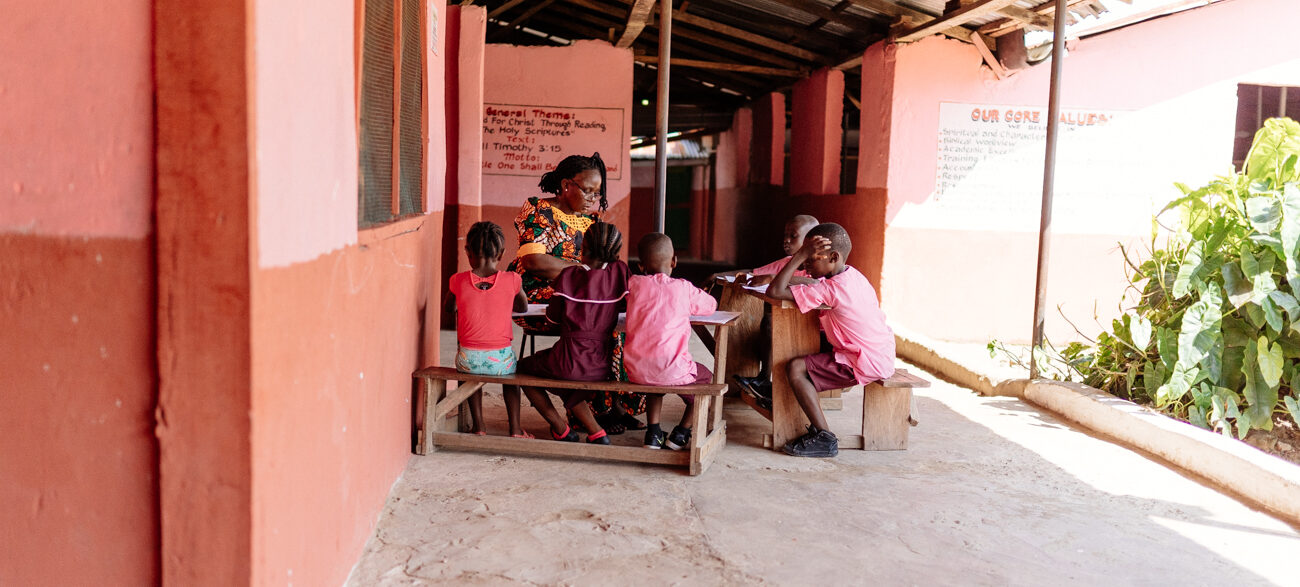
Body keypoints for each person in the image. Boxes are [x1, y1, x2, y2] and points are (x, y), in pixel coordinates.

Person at [507, 152, 646, 433]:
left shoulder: (592, 221)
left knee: (623, 324)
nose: (592, 198)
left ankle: (614, 405)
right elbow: (535, 262)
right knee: (597, 317)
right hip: (539, 299)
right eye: (587, 190)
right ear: (566, 184)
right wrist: (584, 272)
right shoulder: (538, 210)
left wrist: (588, 278)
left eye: (597, 193)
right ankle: (594, 412)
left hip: (581, 296)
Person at [765, 223, 896, 458]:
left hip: (863, 361)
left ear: (833, 257)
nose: (805, 264)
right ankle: (772, 394)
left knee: (795, 368)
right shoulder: (853, 275)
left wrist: (797, 256)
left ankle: (824, 436)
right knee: (812, 340)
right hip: (880, 351)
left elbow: (774, 292)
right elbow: (815, 284)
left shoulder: (831, 290)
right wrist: (803, 261)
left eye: (810, 258)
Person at [516, 222, 629, 445]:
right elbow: (624, 308)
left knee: (521, 370)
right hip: (602, 363)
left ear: (582, 246)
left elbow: (552, 320)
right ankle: (596, 432)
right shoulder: (620, 273)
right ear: (616, 252)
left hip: (568, 359)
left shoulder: (569, 277)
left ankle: (560, 428)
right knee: (567, 376)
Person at [625, 233, 718, 450]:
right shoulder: (683, 288)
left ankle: (653, 432)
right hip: (673, 370)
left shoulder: (634, 283)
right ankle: (681, 433)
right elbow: (710, 306)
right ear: (674, 261)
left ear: (640, 266)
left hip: (636, 370)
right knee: (710, 381)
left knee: (654, 378)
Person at [444, 221, 530, 437]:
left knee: (471, 378)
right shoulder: (512, 280)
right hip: (500, 360)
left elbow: (449, 308)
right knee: (511, 379)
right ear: (501, 253)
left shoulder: (457, 280)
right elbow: (523, 307)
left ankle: (479, 426)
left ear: (468, 252)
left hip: (468, 360)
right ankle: (516, 429)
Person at [707, 214, 818, 286]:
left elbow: (817, 283)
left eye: (793, 236)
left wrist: (772, 278)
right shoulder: (786, 262)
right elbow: (753, 273)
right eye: (785, 235)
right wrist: (717, 275)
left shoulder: (819, 265)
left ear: (810, 239)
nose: (786, 240)